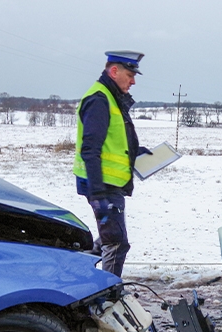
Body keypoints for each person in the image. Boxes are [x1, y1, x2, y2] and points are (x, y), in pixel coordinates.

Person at [74, 50, 149, 278]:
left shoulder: (111, 97)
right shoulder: (99, 99)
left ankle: (72, 271)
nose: (133, 81)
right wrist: (98, 195)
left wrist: (140, 154)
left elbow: (114, 142)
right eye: (130, 74)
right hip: (103, 186)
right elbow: (90, 149)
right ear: (114, 71)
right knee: (116, 243)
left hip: (110, 185)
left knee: (108, 240)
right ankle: (109, 296)